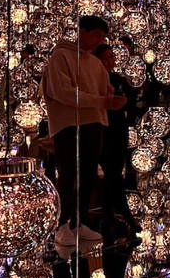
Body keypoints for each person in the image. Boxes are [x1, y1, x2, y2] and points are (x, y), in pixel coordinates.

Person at [43, 16, 126, 246]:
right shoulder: (61, 56)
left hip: (93, 123)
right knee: (69, 174)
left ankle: (78, 223)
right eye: (97, 35)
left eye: (103, 37)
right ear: (81, 31)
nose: (100, 40)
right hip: (69, 124)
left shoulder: (94, 62)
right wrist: (100, 101)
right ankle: (62, 225)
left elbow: (104, 89)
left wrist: (110, 99)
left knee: (88, 174)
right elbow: (63, 92)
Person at [95, 44, 140, 236]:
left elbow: (131, 101)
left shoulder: (119, 80)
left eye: (112, 58)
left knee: (114, 173)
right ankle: (123, 214)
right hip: (102, 130)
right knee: (112, 174)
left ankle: (108, 215)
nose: (110, 62)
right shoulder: (93, 81)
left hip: (119, 130)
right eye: (105, 58)